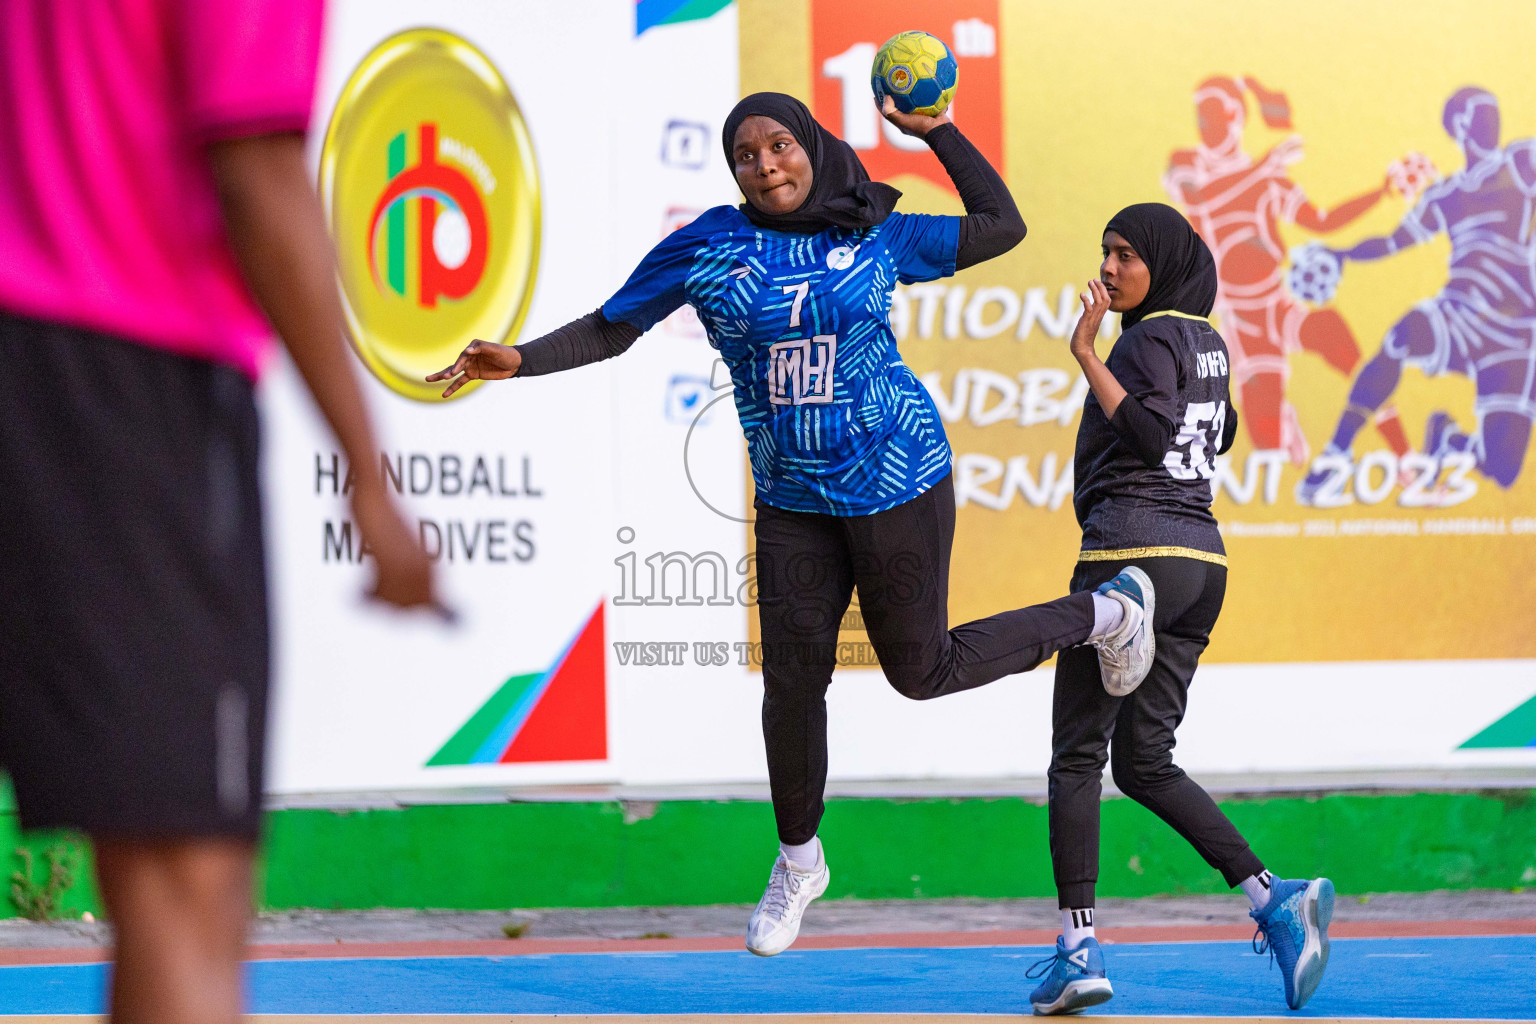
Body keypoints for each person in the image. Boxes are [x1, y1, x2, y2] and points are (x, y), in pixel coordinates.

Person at [430, 92, 1156, 956]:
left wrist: (936, 132)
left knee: (920, 673)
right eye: (746, 154)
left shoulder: (877, 231)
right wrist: (519, 361)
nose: (765, 164)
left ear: (812, 148)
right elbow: (611, 327)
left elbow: (1000, 225)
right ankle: (798, 858)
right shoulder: (708, 244)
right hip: (791, 502)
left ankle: (1107, 614)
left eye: (780, 146)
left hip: (898, 482)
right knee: (791, 683)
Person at [0, 3, 438, 1023]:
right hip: (116, 370)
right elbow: (255, 165)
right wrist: (368, 472)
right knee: (184, 877)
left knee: (165, 870)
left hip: (53, 357)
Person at [1025, 204, 1333, 1015]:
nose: (1112, 268)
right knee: (1145, 762)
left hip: (1131, 560)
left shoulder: (1144, 338)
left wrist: (1087, 352)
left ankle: (1076, 948)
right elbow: (1219, 430)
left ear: (1161, 262)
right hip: (1201, 565)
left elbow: (1156, 435)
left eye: (1126, 254)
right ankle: (1273, 898)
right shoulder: (1207, 342)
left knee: (1077, 756)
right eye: (1106, 253)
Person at [1299, 86, 1536, 501]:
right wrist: (1342, 253)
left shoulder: (1519, 164)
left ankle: (1450, 440)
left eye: (1495, 112)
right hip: (1459, 313)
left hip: (1516, 330)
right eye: (1484, 113)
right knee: (1403, 336)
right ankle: (1335, 454)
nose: (1493, 120)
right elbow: (1391, 243)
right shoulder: (1445, 196)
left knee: (1502, 469)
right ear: (1461, 125)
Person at [1164, 75, 1409, 466]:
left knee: (1338, 339)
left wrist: (1380, 193)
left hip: (1276, 304)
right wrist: (1261, 168)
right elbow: (1205, 204)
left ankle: (1407, 461)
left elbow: (1322, 220)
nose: (1207, 126)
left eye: (1215, 114)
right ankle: (1283, 428)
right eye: (1201, 116)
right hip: (1243, 322)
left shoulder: (1268, 180)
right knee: (1268, 443)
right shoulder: (1188, 166)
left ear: (1237, 116)